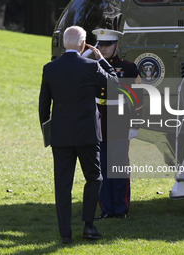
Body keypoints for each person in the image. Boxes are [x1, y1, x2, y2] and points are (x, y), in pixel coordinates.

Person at [38, 26, 119, 244]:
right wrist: (101, 59)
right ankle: (88, 226)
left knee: (62, 185)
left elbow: (43, 106)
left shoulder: (50, 68)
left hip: (60, 136)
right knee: (94, 178)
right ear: (84, 45)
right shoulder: (91, 66)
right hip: (88, 135)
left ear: (65, 43)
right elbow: (115, 83)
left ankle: (65, 234)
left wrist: (48, 134)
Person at [92, 28, 143, 220]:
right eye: (101, 45)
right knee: (102, 169)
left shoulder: (129, 68)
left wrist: (135, 126)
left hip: (121, 124)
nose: (103, 49)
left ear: (116, 45)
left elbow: (139, 99)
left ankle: (121, 210)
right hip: (99, 125)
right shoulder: (92, 65)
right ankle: (106, 209)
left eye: (107, 45)